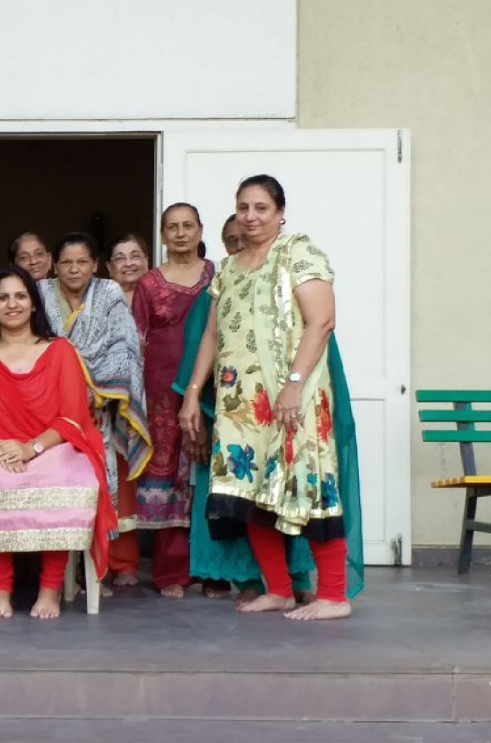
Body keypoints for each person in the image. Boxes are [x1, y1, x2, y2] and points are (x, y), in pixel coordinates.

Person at [180, 175, 363, 621]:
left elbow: (321, 321)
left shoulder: (299, 252)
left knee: (311, 488)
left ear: (280, 212)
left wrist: (295, 384)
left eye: (261, 207)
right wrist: (192, 393)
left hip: (293, 400)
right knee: (248, 493)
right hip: (239, 404)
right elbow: (210, 334)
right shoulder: (228, 269)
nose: (251, 216)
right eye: (243, 207)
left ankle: (334, 596)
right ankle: (278, 590)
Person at [0, 267, 117, 621]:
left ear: (34, 304)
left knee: (68, 481)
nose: (12, 304)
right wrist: (1, 450)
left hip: (52, 445)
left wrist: (31, 448)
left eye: (21, 296)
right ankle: (1, 591)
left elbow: (72, 418)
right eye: (2, 297)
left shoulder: (60, 351)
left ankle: (49, 590)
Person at [175, 213, 315, 603]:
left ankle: (297, 577)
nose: (241, 246)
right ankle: (246, 578)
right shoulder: (219, 289)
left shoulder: (293, 284)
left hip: (287, 413)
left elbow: (319, 342)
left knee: (291, 494)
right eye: (232, 241)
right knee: (237, 504)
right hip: (230, 421)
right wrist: (198, 420)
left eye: (245, 238)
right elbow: (199, 355)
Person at [38, 233, 151, 593]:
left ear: (96, 265)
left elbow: (123, 345)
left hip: (102, 407)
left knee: (104, 487)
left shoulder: (109, 293)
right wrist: (69, 388)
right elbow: (34, 343)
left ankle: (100, 568)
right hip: (51, 408)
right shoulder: (40, 293)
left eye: (82, 262)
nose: (74, 269)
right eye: (66, 263)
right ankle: (65, 573)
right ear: (55, 265)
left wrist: (95, 389)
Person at [130, 204, 213, 598]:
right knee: (165, 480)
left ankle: (214, 572)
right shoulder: (149, 284)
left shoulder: (219, 276)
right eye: (172, 228)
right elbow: (137, 343)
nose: (180, 233)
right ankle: (170, 574)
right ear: (162, 235)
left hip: (213, 389)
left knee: (210, 478)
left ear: (200, 230)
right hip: (160, 394)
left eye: (188, 226)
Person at [106, 234, 151, 308]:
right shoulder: (98, 304)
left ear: (146, 261)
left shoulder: (163, 297)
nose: (128, 264)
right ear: (109, 267)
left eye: (135, 256)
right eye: (120, 258)